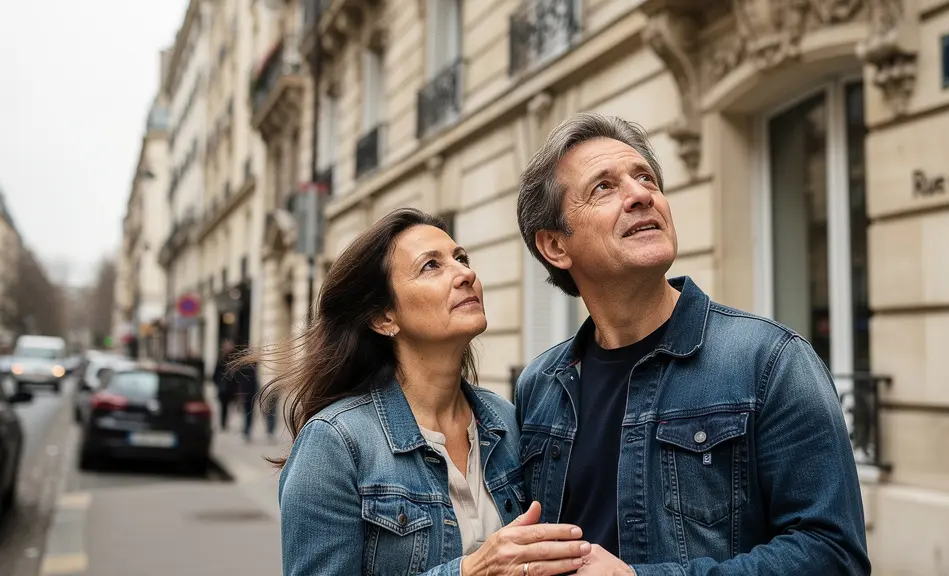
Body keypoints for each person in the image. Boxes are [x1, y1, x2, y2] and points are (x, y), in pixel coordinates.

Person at [513, 113, 870, 575]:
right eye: (604, 187)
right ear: (555, 246)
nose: (641, 194)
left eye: (645, 178)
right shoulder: (539, 386)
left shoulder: (771, 361)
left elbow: (833, 557)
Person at [244, 208, 591, 576]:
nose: (466, 274)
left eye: (461, 258)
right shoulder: (335, 444)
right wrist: (469, 572)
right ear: (384, 318)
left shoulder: (504, 420)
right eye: (431, 266)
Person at [212, 339, 235, 431]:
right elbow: (216, 374)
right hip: (223, 387)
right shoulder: (221, 360)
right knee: (223, 406)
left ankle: (225, 422)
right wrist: (218, 383)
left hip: (230, 387)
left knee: (228, 406)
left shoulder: (233, 359)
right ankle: (223, 423)